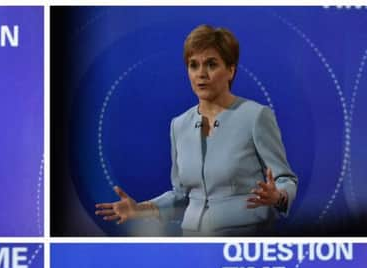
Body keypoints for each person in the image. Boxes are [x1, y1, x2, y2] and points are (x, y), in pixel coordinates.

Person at [96, 25, 297, 236]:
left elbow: (285, 179)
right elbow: (181, 196)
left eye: (211, 64)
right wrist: (141, 209)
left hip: (243, 240)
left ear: (231, 70)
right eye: (194, 65)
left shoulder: (255, 116)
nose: (201, 74)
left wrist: (279, 196)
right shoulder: (179, 125)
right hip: (193, 242)